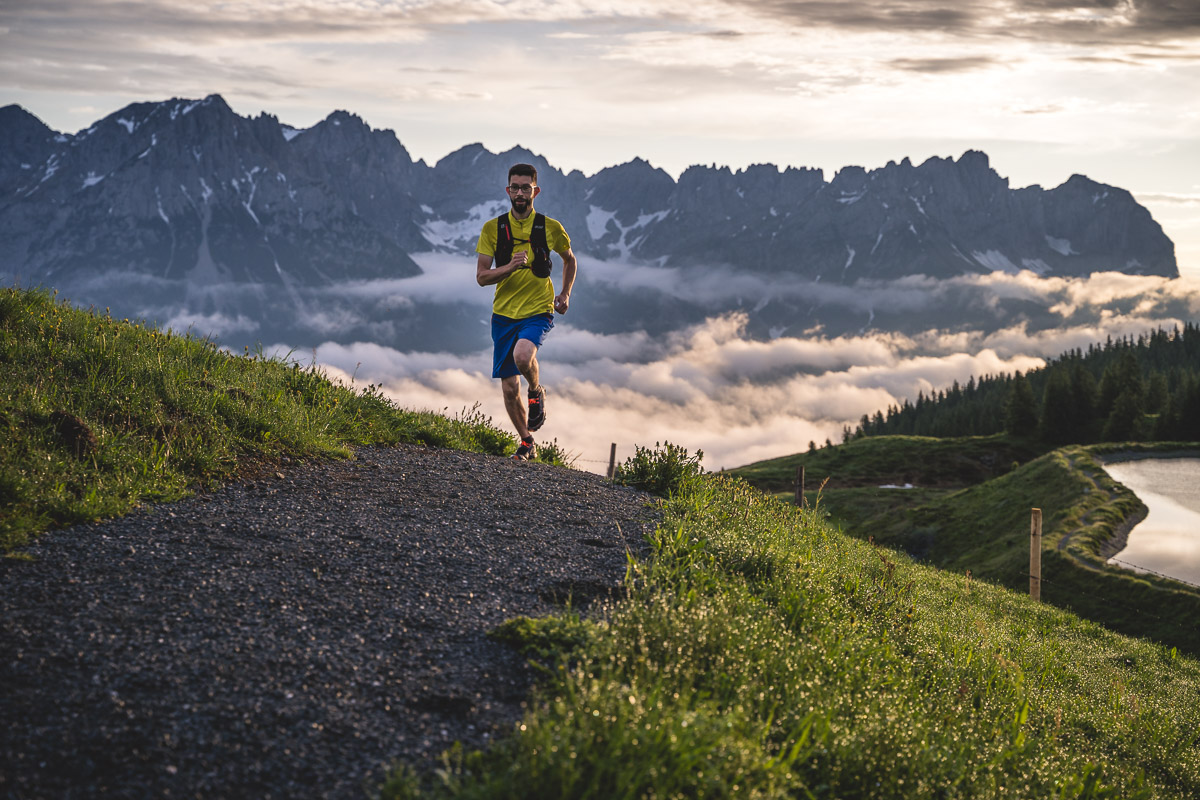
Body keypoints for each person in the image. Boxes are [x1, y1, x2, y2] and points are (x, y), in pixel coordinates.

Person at [475, 163, 577, 461]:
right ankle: (527, 442)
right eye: (515, 188)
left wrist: (565, 294)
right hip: (503, 314)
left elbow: (569, 260)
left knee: (522, 357)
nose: (520, 193)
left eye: (526, 188)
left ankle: (535, 390)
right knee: (508, 388)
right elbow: (482, 277)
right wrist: (509, 267)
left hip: (538, 310)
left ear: (536, 191)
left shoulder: (550, 228)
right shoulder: (493, 229)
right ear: (508, 190)